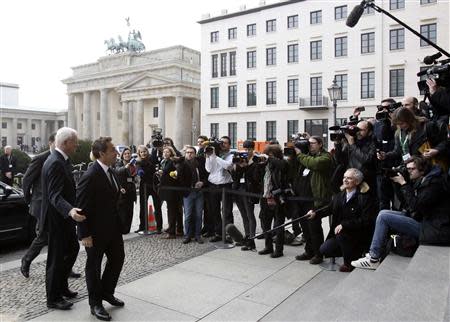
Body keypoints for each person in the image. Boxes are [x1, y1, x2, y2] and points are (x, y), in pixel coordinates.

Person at [352, 156, 450, 270]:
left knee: (384, 217)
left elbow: (415, 206)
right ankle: (375, 251)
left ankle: (373, 258)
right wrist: (397, 184)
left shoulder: (434, 184)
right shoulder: (425, 179)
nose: (409, 172)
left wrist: (404, 184)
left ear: (422, 169)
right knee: (384, 212)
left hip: (436, 229)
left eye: (412, 169)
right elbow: (407, 203)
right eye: (407, 169)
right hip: (425, 221)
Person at [76, 137, 125, 321]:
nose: (116, 153)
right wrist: (84, 234)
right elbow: (80, 207)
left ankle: (107, 292)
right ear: (102, 153)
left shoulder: (111, 171)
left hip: (112, 229)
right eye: (113, 150)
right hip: (94, 233)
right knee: (93, 267)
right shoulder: (90, 175)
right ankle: (95, 303)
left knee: (118, 259)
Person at [41, 127, 86, 310]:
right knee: (56, 259)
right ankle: (53, 298)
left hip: (64, 218)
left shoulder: (61, 160)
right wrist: (70, 211)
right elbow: (54, 195)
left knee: (72, 248)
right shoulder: (55, 163)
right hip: (57, 219)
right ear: (66, 143)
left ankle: (62, 286)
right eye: (75, 142)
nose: (77, 145)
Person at [307, 168, 376, 272]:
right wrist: (315, 213)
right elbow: (329, 209)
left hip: (357, 235)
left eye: (349, 178)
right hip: (340, 234)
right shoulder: (339, 196)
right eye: (344, 177)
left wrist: (345, 225)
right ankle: (348, 252)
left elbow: (366, 220)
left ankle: (349, 263)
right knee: (325, 249)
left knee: (342, 234)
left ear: (357, 181)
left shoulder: (364, 198)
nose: (345, 180)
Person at [294, 136, 333, 264]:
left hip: (316, 199)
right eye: (308, 143)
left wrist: (300, 155)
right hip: (302, 198)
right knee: (305, 227)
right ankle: (309, 251)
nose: (309, 145)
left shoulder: (325, 157)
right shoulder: (306, 156)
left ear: (320, 144)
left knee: (314, 227)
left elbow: (314, 164)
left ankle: (318, 253)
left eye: (312, 143)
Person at [258, 144, 289, 258]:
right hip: (266, 197)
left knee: (278, 225)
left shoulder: (282, 163)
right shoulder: (265, 166)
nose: (268, 157)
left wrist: (270, 159)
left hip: (277, 197)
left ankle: (279, 249)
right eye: (267, 155)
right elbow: (257, 178)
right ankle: (268, 246)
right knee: (265, 222)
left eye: (271, 155)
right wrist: (259, 164)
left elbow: (283, 167)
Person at [205, 136, 234, 242]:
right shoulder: (213, 153)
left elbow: (227, 166)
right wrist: (209, 156)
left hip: (225, 185)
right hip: (213, 184)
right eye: (221, 143)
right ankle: (218, 233)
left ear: (229, 145)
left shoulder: (231, 155)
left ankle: (229, 234)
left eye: (225, 143)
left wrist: (215, 156)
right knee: (214, 210)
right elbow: (209, 169)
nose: (222, 145)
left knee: (227, 211)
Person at [176, 146, 208, 244]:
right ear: (185, 154)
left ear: (195, 154)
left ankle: (198, 235)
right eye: (187, 152)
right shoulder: (181, 164)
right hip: (188, 193)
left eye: (191, 152)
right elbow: (179, 179)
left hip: (199, 192)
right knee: (188, 215)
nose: (189, 154)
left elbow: (206, 176)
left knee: (199, 215)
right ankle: (188, 235)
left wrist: (202, 182)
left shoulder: (199, 164)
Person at [158, 146, 183, 238]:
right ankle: (176, 229)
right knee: (173, 210)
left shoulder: (172, 162)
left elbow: (169, 173)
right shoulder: (164, 162)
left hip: (172, 189)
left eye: (167, 152)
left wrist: (162, 172)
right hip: (167, 188)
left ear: (171, 153)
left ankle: (172, 232)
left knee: (173, 210)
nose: (165, 153)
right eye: (164, 152)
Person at [135, 145, 161, 233]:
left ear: (147, 151)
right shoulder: (138, 161)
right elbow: (138, 169)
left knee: (157, 206)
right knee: (143, 206)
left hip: (154, 185)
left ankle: (159, 227)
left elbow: (155, 157)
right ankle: (142, 226)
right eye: (141, 152)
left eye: (144, 151)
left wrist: (154, 147)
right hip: (144, 186)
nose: (143, 153)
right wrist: (139, 172)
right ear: (139, 153)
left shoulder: (152, 158)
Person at [114, 147, 137, 234]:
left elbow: (134, 176)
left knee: (130, 211)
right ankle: (121, 229)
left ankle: (127, 229)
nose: (127, 155)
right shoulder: (119, 163)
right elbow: (117, 171)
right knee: (122, 211)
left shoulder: (133, 164)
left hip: (130, 190)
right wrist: (125, 167)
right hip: (122, 190)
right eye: (125, 154)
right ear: (122, 155)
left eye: (129, 153)